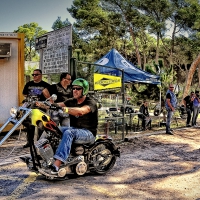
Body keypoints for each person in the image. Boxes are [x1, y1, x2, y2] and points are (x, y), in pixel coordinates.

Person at [41, 78, 98, 175]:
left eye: (78, 89)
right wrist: (40, 104)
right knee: (53, 129)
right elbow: (55, 105)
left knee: (68, 132)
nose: (74, 90)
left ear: (84, 90)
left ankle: (57, 165)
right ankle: (44, 156)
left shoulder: (91, 102)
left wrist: (64, 109)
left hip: (88, 133)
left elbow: (81, 111)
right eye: (73, 88)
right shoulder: (72, 101)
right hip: (75, 129)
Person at [22, 69, 50, 148]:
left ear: (41, 75)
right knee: (30, 126)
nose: (34, 76)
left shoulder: (46, 85)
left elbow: (49, 97)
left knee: (40, 126)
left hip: (41, 108)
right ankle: (29, 142)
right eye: (33, 75)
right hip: (30, 108)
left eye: (36, 75)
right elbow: (24, 93)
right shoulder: (28, 84)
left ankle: (39, 143)